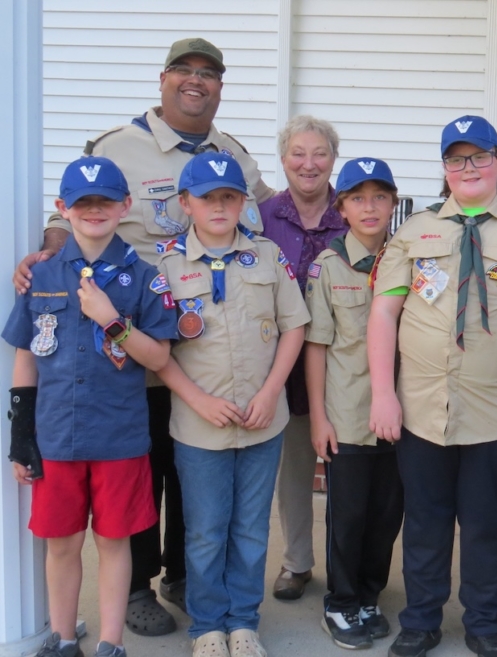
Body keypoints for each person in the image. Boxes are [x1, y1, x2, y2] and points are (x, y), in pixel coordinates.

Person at [13, 37, 274, 637]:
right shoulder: (118, 147)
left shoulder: (232, 151)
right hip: (124, 347)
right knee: (141, 464)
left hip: (206, 343)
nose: (196, 81)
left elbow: (260, 221)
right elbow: (67, 221)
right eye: (184, 70)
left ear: (220, 88)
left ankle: (185, 573)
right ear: (162, 80)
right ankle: (136, 585)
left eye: (209, 74)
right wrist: (47, 261)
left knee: (192, 466)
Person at [367, 115, 497, 657]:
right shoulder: (414, 233)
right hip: (419, 408)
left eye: (480, 156)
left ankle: (486, 624)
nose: (469, 168)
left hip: (493, 411)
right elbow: (384, 314)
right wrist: (384, 394)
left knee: (486, 525)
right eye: (457, 159)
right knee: (425, 523)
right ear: (444, 169)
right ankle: (421, 621)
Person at [3, 156, 178, 657]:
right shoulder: (40, 275)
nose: (94, 210)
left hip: (118, 436)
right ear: (63, 208)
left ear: (126, 206)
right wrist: (20, 434)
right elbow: (25, 357)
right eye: (83, 203)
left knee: (114, 541)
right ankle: (62, 640)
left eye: (105, 201)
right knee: (60, 543)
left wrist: (111, 320)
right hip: (56, 435)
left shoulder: (144, 277)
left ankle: (109, 642)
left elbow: (159, 356)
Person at [154, 152, 308, 657]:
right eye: (207, 197)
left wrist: (271, 392)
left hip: (264, 422)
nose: (219, 206)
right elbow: (156, 353)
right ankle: (206, 627)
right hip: (200, 427)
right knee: (204, 532)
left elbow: (294, 327)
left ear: (243, 201)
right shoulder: (167, 265)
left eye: (229, 196)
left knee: (249, 529)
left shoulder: (266, 256)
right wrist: (197, 399)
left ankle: (243, 622)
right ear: (185, 203)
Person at [306, 157, 404, 650]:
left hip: (400, 416)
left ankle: (369, 594)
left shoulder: (408, 260)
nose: (370, 207)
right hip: (346, 415)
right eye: (358, 198)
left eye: (380, 196)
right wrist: (319, 417)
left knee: (387, 515)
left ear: (393, 203)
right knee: (347, 516)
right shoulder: (328, 267)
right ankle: (341, 603)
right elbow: (317, 345)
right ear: (340, 207)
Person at [259, 115, 348, 602]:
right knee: (292, 470)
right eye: (298, 153)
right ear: (283, 158)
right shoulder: (263, 216)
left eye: (319, 153)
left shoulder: (354, 211)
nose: (308, 164)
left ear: (334, 158)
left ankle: (345, 564)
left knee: (347, 472)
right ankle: (297, 562)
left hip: (345, 367)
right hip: (283, 366)